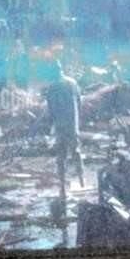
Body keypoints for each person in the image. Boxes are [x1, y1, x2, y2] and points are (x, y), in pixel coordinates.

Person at [43, 60, 84, 188]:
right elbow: (79, 102)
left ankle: (62, 185)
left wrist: (50, 125)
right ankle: (82, 180)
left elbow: (50, 109)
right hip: (72, 124)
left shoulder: (51, 87)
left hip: (60, 125)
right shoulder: (72, 83)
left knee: (61, 155)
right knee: (76, 151)